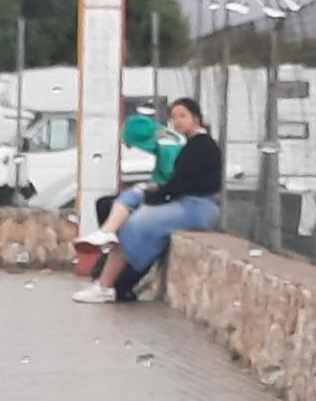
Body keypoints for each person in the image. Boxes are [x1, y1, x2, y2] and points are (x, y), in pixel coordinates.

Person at [72, 98, 222, 303]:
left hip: (197, 207)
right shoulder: (191, 144)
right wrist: (155, 193)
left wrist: (157, 196)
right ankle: (106, 232)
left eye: (183, 116)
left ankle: (106, 284)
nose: (177, 121)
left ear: (196, 119)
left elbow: (183, 183)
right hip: (186, 202)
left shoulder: (202, 146)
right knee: (134, 194)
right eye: (174, 117)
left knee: (135, 223)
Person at [73, 111, 185, 246]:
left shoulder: (167, 146)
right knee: (106, 203)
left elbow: (170, 176)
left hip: (169, 198)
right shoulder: (167, 140)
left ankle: (113, 242)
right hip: (168, 194)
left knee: (106, 205)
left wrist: (150, 187)